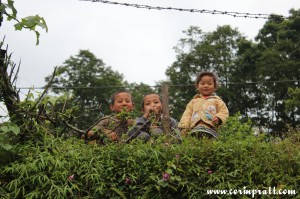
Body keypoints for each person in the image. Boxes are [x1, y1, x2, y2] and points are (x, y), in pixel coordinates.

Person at [178, 71, 229, 138]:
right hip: (194, 128)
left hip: (211, 128)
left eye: (209, 84)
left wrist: (218, 118)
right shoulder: (194, 101)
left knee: (209, 145)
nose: (206, 86)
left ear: (215, 87)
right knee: (194, 142)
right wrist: (184, 126)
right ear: (197, 86)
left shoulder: (217, 101)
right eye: (202, 83)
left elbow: (224, 112)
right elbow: (187, 114)